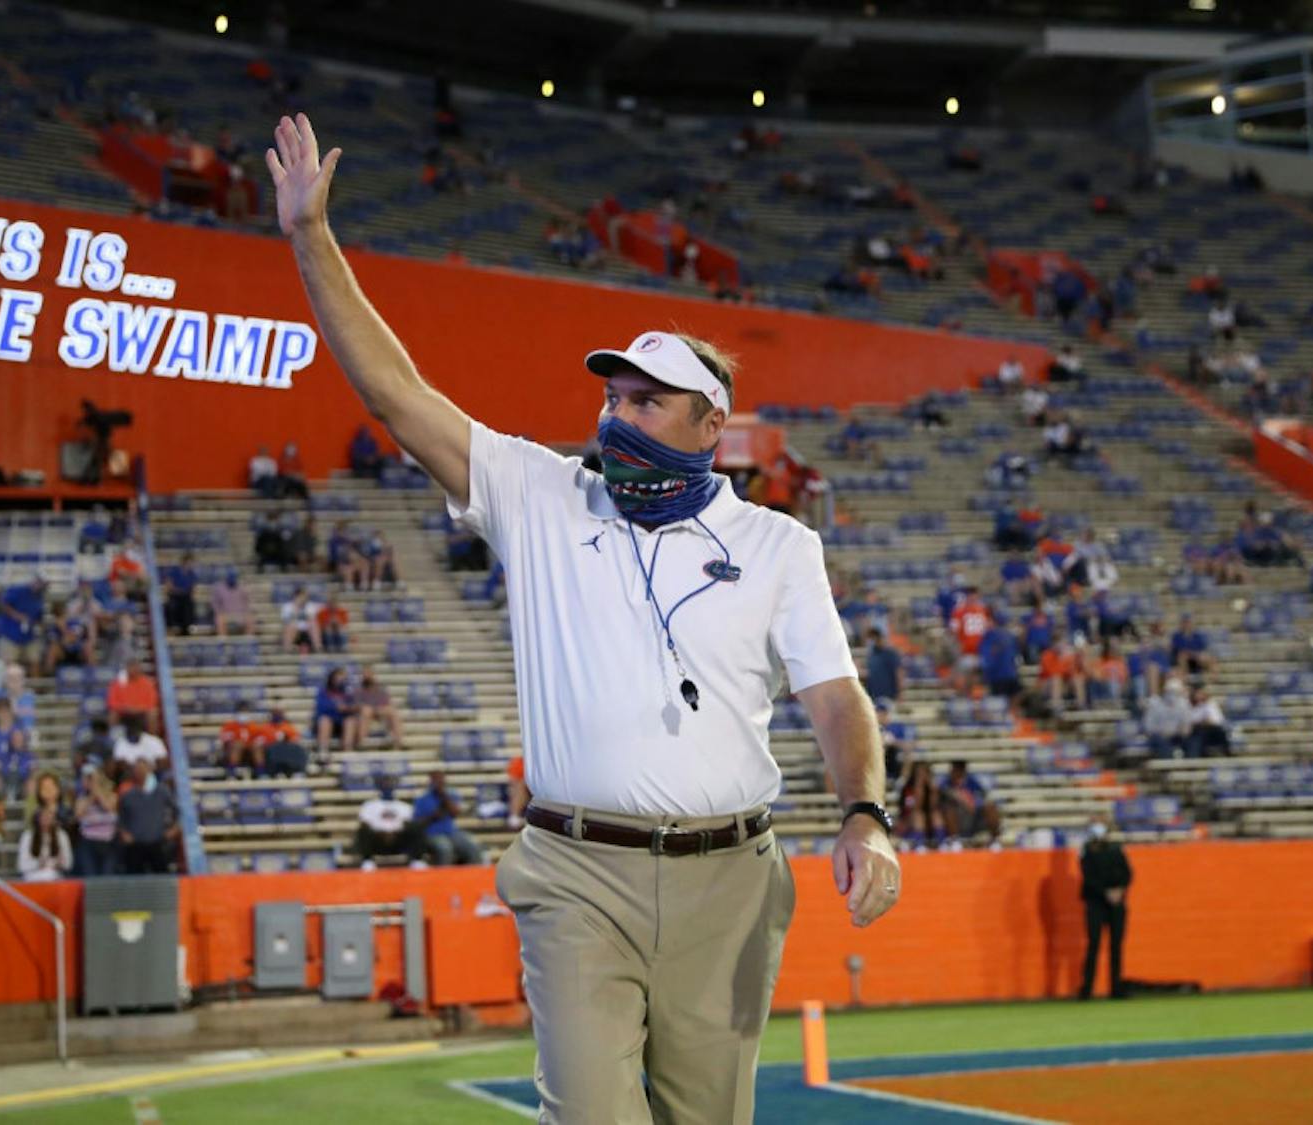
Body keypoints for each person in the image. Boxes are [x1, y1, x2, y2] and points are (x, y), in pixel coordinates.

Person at [269, 111, 898, 1123]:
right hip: (575, 872)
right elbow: (395, 394)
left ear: (709, 425)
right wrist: (310, 236)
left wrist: (865, 814)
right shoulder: (543, 495)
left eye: (650, 403)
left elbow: (835, 697)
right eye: (615, 398)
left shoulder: (781, 547)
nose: (619, 415)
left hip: (731, 879)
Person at [1078, 816, 1131, 1000]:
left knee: (1116, 946)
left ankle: (1116, 987)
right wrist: (1106, 893)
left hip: (1116, 903)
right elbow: (1088, 878)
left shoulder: (1116, 850)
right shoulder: (1086, 851)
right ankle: (1087, 988)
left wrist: (1119, 891)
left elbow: (1128, 873)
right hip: (1095, 903)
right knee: (1093, 945)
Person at [412, 770, 484, 866]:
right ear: (431, 781)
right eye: (436, 780)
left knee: (472, 846)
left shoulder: (451, 795)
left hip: (451, 832)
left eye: (441, 780)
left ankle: (473, 876)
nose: (439, 782)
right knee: (445, 848)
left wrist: (444, 796)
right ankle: (444, 878)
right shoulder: (422, 799)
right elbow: (417, 823)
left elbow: (455, 812)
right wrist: (433, 816)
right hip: (432, 834)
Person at [116, 759, 177, 874]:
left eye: (143, 769)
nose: (140, 772)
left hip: (157, 842)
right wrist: (123, 832)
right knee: (134, 878)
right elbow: (120, 817)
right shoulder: (128, 795)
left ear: (149, 771)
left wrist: (174, 828)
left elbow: (177, 811)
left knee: (161, 877)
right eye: (137, 769)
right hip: (135, 845)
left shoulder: (161, 791)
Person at [354, 775, 427, 868]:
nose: (387, 787)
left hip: (398, 840)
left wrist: (393, 833)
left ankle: (417, 860)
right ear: (379, 787)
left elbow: (408, 825)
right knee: (363, 831)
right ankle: (367, 861)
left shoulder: (404, 806)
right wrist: (382, 833)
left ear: (394, 786)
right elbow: (365, 824)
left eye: (389, 784)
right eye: (384, 784)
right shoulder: (369, 805)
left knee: (417, 827)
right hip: (377, 841)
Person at [72, 766, 120, 877]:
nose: (89, 781)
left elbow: (108, 807)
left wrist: (97, 790)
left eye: (91, 778)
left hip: (108, 843)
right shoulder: (81, 799)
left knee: (107, 875)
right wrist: (92, 796)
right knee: (90, 875)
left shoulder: (112, 796)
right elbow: (78, 815)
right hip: (88, 843)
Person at [938, 760, 1000, 842]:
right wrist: (960, 798)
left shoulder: (972, 782)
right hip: (957, 815)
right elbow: (942, 796)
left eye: (959, 769)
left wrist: (972, 802)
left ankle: (995, 840)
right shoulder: (946, 783)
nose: (956, 772)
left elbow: (982, 797)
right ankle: (955, 841)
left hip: (974, 814)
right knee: (948, 810)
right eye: (955, 769)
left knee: (990, 807)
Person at [16, 808, 73, 882]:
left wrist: (57, 864)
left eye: (49, 817)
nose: (46, 820)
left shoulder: (61, 835)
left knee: (50, 875)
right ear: (37, 819)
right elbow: (22, 865)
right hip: (32, 875)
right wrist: (38, 864)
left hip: (54, 875)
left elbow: (68, 863)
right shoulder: (28, 836)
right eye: (43, 817)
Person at [107, 658, 160, 732]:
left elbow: (151, 703)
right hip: (124, 712)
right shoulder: (118, 683)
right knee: (113, 714)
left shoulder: (147, 683)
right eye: (131, 667)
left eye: (135, 667)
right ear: (127, 668)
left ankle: (152, 739)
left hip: (141, 712)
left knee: (152, 713)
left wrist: (137, 709)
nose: (133, 669)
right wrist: (125, 708)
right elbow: (112, 703)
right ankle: (112, 738)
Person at [356, 669, 404, 747]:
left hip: (378, 710)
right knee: (366, 710)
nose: (367, 677)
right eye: (365, 675)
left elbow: (386, 702)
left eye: (369, 674)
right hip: (365, 711)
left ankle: (398, 742)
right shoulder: (358, 690)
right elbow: (357, 704)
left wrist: (379, 708)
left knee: (392, 711)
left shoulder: (380, 689)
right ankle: (361, 742)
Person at [163, 553, 200, 636]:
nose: (191, 565)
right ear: (185, 562)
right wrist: (178, 591)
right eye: (190, 563)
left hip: (185, 596)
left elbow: (193, 588)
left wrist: (190, 593)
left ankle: (186, 629)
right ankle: (171, 628)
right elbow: (169, 586)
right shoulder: (174, 571)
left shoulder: (192, 574)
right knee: (171, 606)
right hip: (175, 595)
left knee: (189, 604)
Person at [210, 569, 255, 635]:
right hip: (225, 614)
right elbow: (214, 603)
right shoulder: (219, 588)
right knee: (219, 619)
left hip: (240, 614)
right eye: (230, 577)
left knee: (250, 618)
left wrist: (246, 611)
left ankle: (248, 641)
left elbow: (247, 602)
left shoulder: (241, 588)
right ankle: (223, 642)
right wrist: (219, 612)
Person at [862, 627, 901, 704]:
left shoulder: (890, 653)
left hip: (888, 696)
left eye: (874, 637)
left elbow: (899, 673)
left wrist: (900, 693)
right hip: (874, 696)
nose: (873, 640)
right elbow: (870, 673)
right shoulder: (872, 654)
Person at [280, 586, 322, 653]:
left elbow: (311, 618)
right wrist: (296, 608)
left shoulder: (310, 606)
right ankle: (287, 649)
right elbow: (286, 621)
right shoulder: (287, 606)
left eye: (305, 596)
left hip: (307, 630)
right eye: (302, 596)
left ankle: (318, 648)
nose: (304, 598)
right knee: (291, 625)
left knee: (314, 624)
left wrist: (302, 609)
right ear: (296, 596)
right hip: (294, 630)